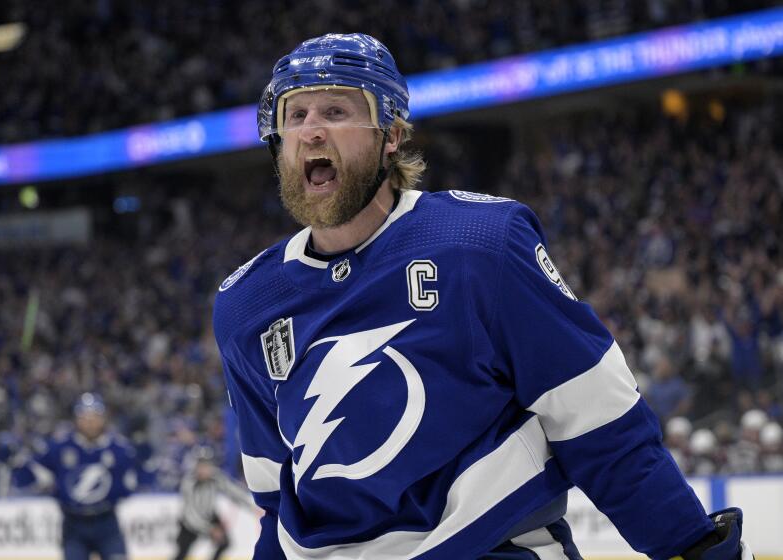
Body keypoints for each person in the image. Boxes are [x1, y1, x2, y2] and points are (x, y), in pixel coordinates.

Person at [213, 33, 753, 559]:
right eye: (295, 115)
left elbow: (601, 426)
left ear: (392, 133)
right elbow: (275, 501)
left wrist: (693, 545)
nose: (310, 131)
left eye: (334, 111)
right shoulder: (245, 306)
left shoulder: (483, 244)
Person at [14, 393, 137, 560]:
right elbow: (29, 478)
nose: (89, 421)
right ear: (76, 419)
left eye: (94, 416)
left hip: (107, 522)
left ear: (103, 418)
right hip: (74, 525)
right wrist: (23, 461)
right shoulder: (59, 447)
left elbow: (132, 483)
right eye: (84, 416)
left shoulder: (119, 448)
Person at [172, 446, 252, 560]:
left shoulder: (216, 477)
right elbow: (191, 514)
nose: (205, 469)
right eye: (202, 465)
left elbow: (232, 491)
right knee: (181, 553)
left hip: (209, 516)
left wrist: (252, 506)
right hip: (190, 522)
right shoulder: (189, 482)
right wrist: (211, 529)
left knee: (225, 543)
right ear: (196, 466)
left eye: (207, 465)